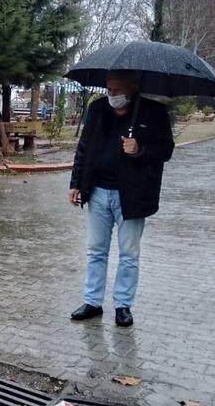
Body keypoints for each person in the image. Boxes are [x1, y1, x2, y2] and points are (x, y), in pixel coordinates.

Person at [68, 70, 174, 327]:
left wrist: (140, 150)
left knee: (128, 254)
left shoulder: (153, 112)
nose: (111, 95)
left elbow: (166, 150)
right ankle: (92, 302)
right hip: (98, 191)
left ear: (132, 88)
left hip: (133, 195)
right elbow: (84, 147)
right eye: (108, 89)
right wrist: (76, 184)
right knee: (96, 250)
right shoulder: (97, 109)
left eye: (116, 90)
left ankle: (123, 305)